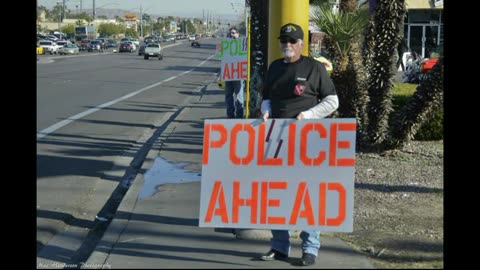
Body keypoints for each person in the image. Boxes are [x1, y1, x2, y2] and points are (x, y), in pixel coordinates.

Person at [259, 23, 339, 266]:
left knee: (307, 195)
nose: (288, 45)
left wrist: (308, 116)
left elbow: (332, 101)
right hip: (276, 140)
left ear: (302, 43)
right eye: (284, 40)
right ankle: (279, 246)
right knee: (277, 194)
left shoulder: (314, 68)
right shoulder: (274, 67)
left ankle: (310, 248)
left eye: (292, 40)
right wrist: (266, 110)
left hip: (307, 140)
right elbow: (267, 97)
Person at [224, 27, 245, 118]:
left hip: (238, 75)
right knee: (228, 96)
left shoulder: (242, 44)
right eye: (230, 33)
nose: (231, 35)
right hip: (228, 75)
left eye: (233, 33)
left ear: (238, 34)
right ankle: (230, 115)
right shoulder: (226, 45)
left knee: (239, 97)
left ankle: (239, 116)